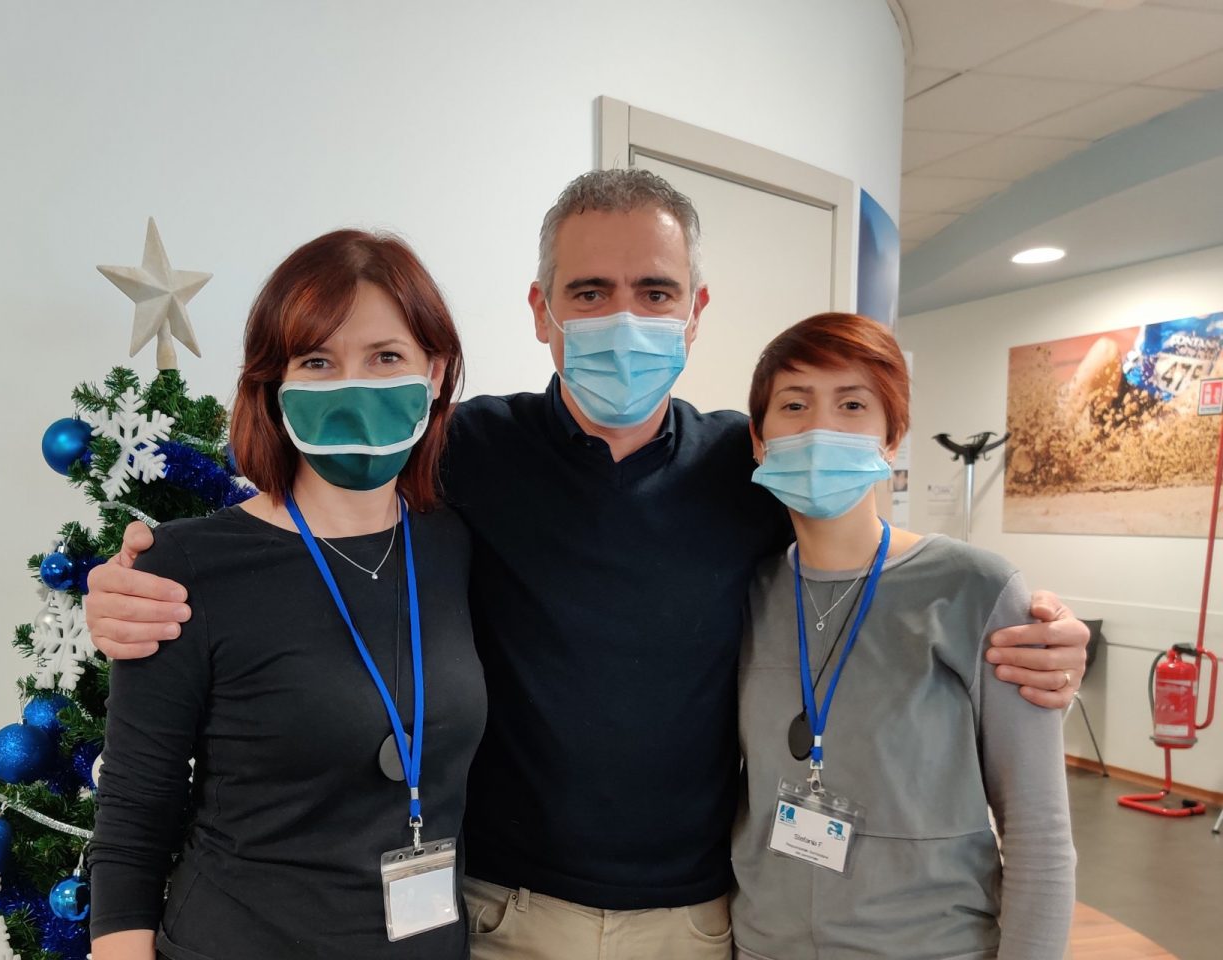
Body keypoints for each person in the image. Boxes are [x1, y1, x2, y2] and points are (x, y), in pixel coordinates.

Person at [86, 170, 1089, 960]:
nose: (623, 319)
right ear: (541, 309)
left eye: (654, 292)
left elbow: (869, 557)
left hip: (696, 922)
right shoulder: (462, 455)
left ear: (695, 309)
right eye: (590, 292)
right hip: (498, 916)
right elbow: (314, 504)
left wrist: (1038, 632)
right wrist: (130, 580)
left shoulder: (749, 469)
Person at [88, 230, 485, 960]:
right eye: (318, 362)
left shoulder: (452, 544)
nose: (353, 387)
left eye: (386, 357)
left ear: (434, 372)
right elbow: (134, 816)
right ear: (276, 384)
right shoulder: (186, 566)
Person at [733, 313, 1075, 960]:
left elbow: (1039, 833)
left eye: (852, 405)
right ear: (758, 438)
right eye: (794, 404)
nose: (821, 428)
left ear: (892, 438)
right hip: (764, 945)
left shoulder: (975, 589)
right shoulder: (748, 594)